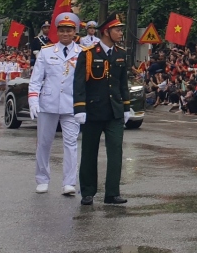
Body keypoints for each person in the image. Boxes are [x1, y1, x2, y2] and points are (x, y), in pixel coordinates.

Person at [73, 13, 133, 206]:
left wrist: (126, 107)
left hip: (114, 111)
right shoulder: (88, 53)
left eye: (121, 29)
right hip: (93, 110)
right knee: (89, 152)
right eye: (117, 29)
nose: (121, 32)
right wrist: (80, 108)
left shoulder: (121, 54)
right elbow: (79, 83)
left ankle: (112, 193)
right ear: (106, 32)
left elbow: (123, 83)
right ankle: (88, 192)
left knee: (116, 151)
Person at [29, 12, 84, 196]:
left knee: (71, 144)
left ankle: (69, 183)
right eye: (62, 30)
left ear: (75, 32)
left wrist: (85, 106)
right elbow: (36, 79)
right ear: (57, 32)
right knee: (44, 143)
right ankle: (42, 179)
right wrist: (33, 101)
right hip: (48, 102)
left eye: (69, 30)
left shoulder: (83, 53)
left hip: (71, 104)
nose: (65, 33)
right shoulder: (46, 52)